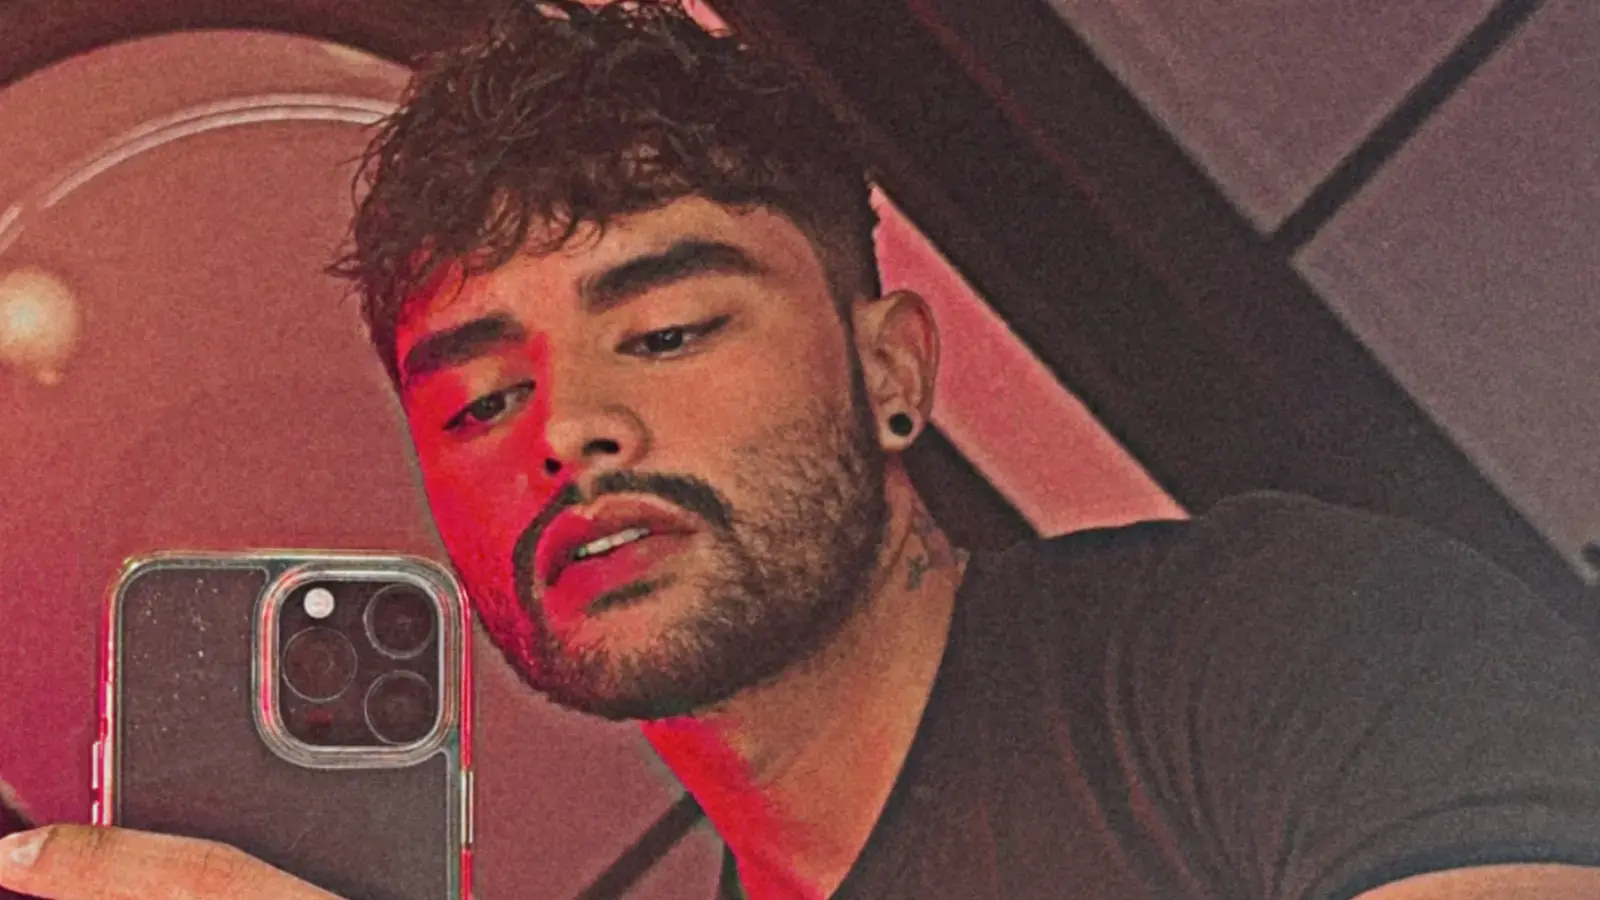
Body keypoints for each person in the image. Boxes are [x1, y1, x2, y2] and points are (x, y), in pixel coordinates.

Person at [5, 2, 1600, 897]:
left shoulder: (1275, 648)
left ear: (892, 367)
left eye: (667, 331)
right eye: (479, 403)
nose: (568, 429)